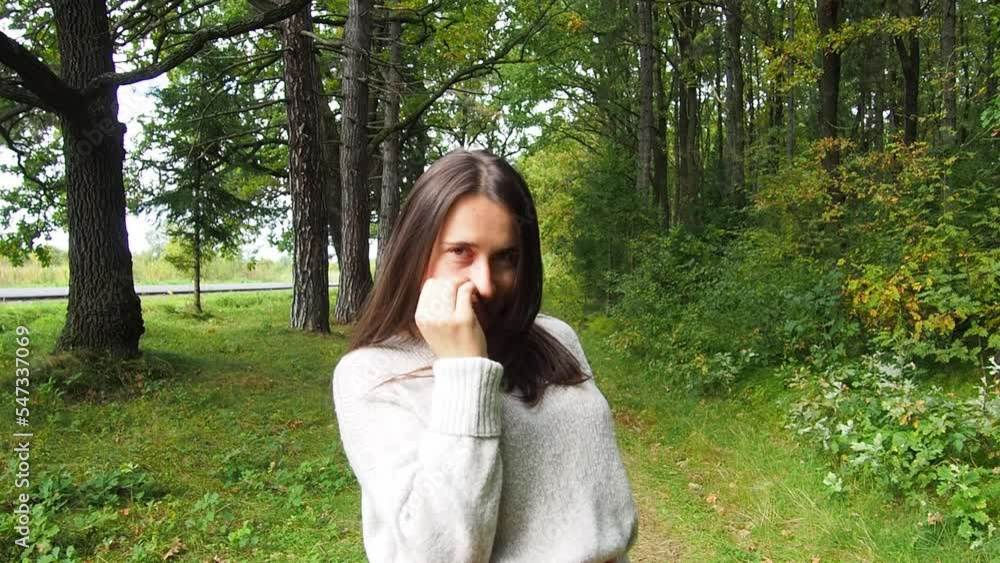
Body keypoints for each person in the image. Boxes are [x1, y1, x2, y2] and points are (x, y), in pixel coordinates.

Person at [331, 149, 639, 562]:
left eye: (505, 257)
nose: (486, 283)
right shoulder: (371, 374)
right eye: (461, 252)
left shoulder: (555, 337)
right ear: (416, 250)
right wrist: (464, 372)